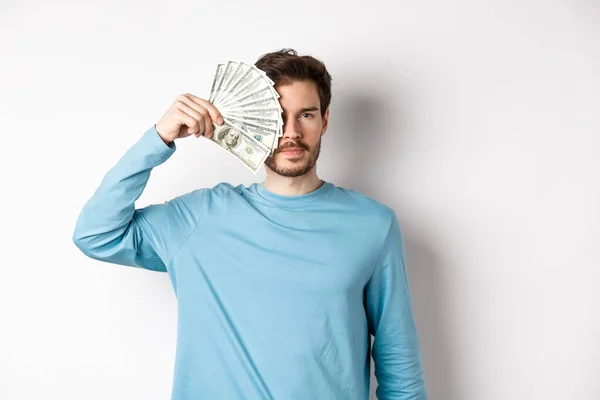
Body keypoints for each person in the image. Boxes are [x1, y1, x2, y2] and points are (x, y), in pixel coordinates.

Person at [72, 48, 428, 400]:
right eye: (277, 116)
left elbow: (399, 365)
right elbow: (96, 233)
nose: (290, 132)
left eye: (305, 114)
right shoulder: (198, 218)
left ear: (325, 120)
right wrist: (159, 138)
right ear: (254, 120)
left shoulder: (372, 225)